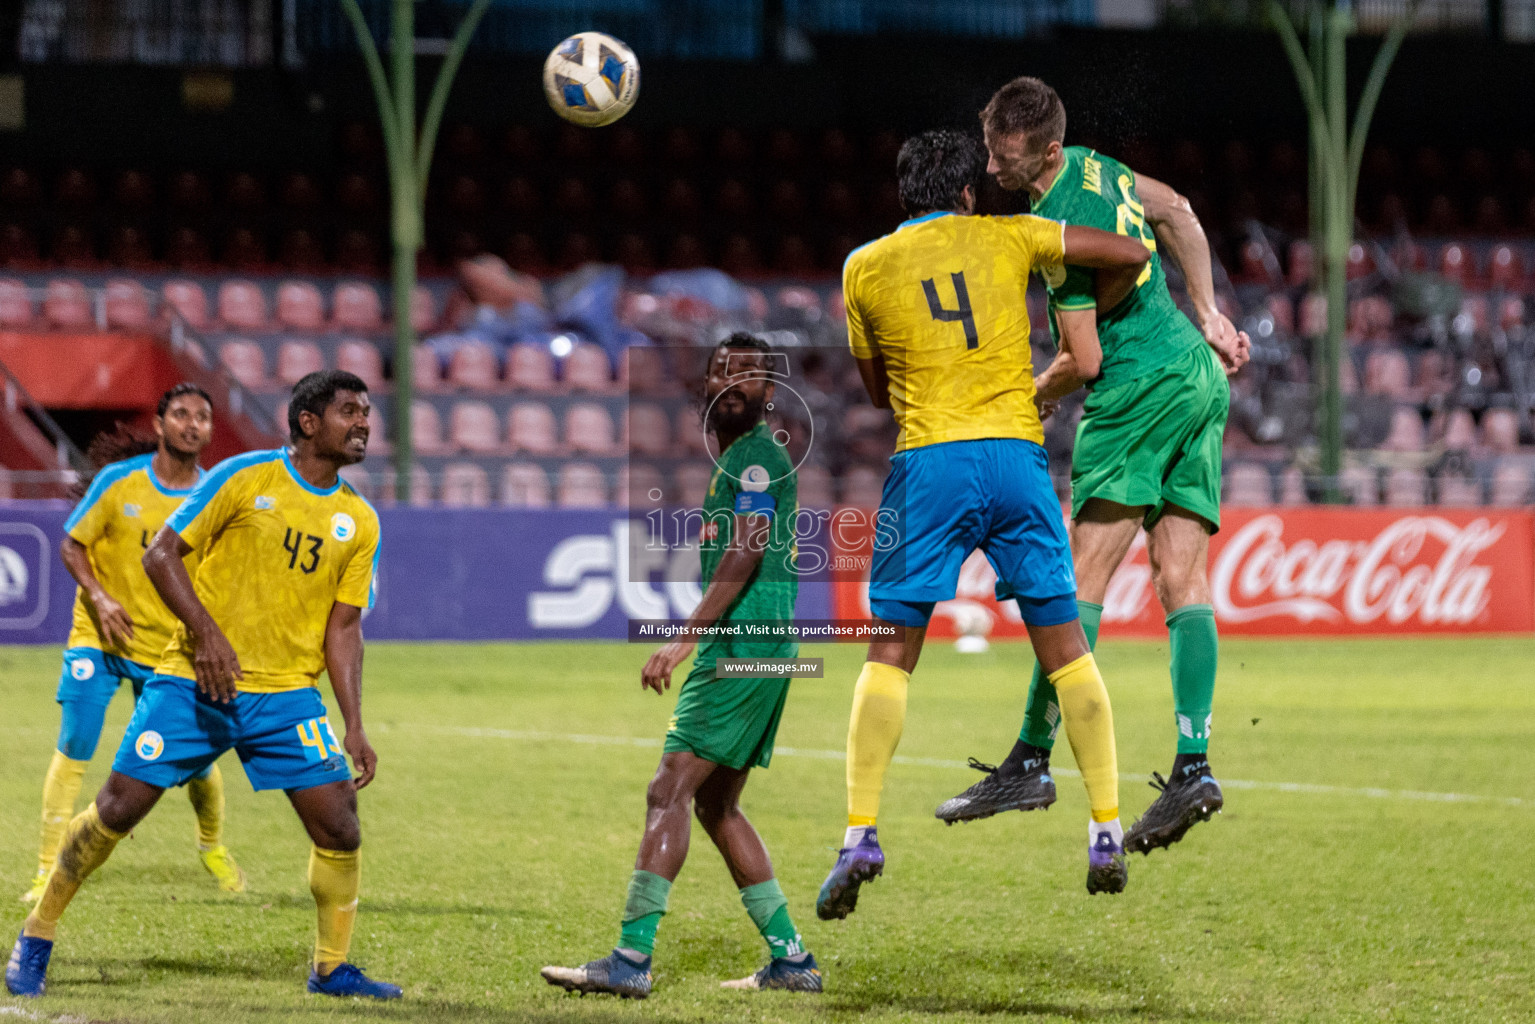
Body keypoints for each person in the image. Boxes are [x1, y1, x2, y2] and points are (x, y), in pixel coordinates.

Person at [817, 129, 1154, 923]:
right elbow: (1130, 254)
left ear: (905, 194)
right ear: (971, 191)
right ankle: (1106, 827)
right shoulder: (1014, 234)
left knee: (890, 653)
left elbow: (874, 390)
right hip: (1014, 455)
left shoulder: (863, 266)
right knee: (1065, 647)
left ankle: (860, 833)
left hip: (928, 462)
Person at [6, 371, 399, 1001]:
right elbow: (160, 554)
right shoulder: (245, 478)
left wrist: (354, 723)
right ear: (307, 422)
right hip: (193, 681)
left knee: (340, 826)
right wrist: (207, 635)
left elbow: (344, 629)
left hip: (286, 697)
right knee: (117, 809)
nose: (363, 423)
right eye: (349, 411)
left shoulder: (360, 520)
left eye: (366, 412)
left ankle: (331, 969)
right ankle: (37, 933)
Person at [935, 77, 1251, 855]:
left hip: (1137, 388)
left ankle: (1029, 760)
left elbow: (1084, 358)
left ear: (1041, 149)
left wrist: (1030, 398)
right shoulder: (1094, 167)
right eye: (987, 146)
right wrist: (1208, 313)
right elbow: (1174, 207)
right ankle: (1193, 765)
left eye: (1002, 153)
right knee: (1182, 581)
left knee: (1079, 584)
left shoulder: (1054, 226)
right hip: (1194, 373)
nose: (991, 163)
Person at [541, 334, 821, 999]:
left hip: (741, 647)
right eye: (719, 371)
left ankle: (630, 961)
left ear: (768, 395)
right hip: (759, 646)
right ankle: (792, 960)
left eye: (747, 375)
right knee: (716, 805)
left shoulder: (757, 458)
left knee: (668, 789)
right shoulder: (742, 462)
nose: (730, 382)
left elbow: (748, 549)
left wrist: (683, 639)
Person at [22, 383, 245, 904]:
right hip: (99, 639)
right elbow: (73, 544)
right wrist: (99, 599)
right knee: (75, 743)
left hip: (168, 648)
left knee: (198, 765)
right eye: (182, 415)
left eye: (203, 418)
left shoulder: (212, 493)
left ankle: (211, 845)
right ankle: (43, 872)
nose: (193, 425)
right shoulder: (119, 481)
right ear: (161, 424)